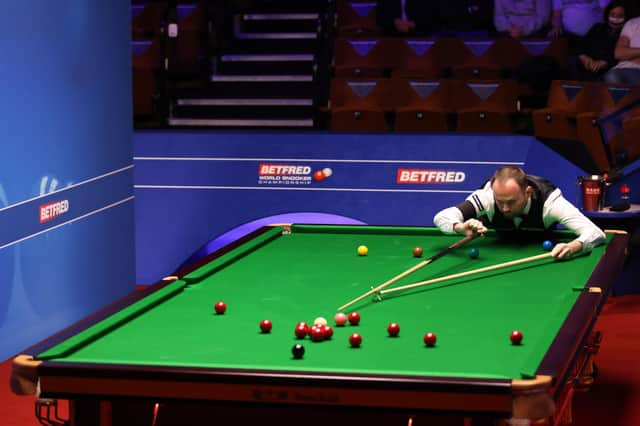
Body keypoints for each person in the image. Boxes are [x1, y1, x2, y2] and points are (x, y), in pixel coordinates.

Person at [433, 166, 606, 259]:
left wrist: (573, 246)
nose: (505, 208)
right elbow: (441, 217)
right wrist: (461, 227)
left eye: (511, 202)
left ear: (528, 192)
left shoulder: (550, 202)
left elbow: (595, 233)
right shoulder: (487, 197)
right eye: (500, 202)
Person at [570, 0, 626, 80]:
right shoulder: (597, 27)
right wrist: (584, 58)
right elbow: (581, 45)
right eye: (613, 14)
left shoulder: (626, 33)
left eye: (620, 16)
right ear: (607, 15)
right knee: (573, 61)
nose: (615, 18)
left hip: (608, 68)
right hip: (588, 64)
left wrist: (604, 62)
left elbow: (620, 56)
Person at [603, 14, 640, 84]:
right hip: (625, 70)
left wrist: (631, 54)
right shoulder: (633, 23)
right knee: (612, 76)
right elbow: (619, 53)